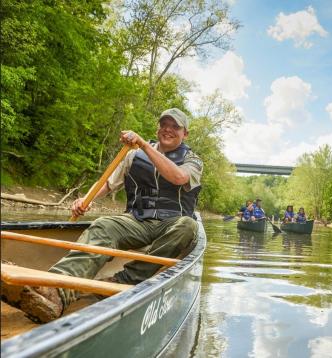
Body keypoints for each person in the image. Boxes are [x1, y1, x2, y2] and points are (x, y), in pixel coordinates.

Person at [7, 108, 203, 323]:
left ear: (185, 134)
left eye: (175, 126)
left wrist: (145, 145)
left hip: (172, 223)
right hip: (137, 220)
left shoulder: (193, 160)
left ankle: (126, 280)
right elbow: (108, 184)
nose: (168, 129)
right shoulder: (133, 156)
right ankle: (56, 291)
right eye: (164, 124)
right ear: (158, 128)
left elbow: (179, 177)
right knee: (103, 225)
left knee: (188, 226)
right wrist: (86, 199)